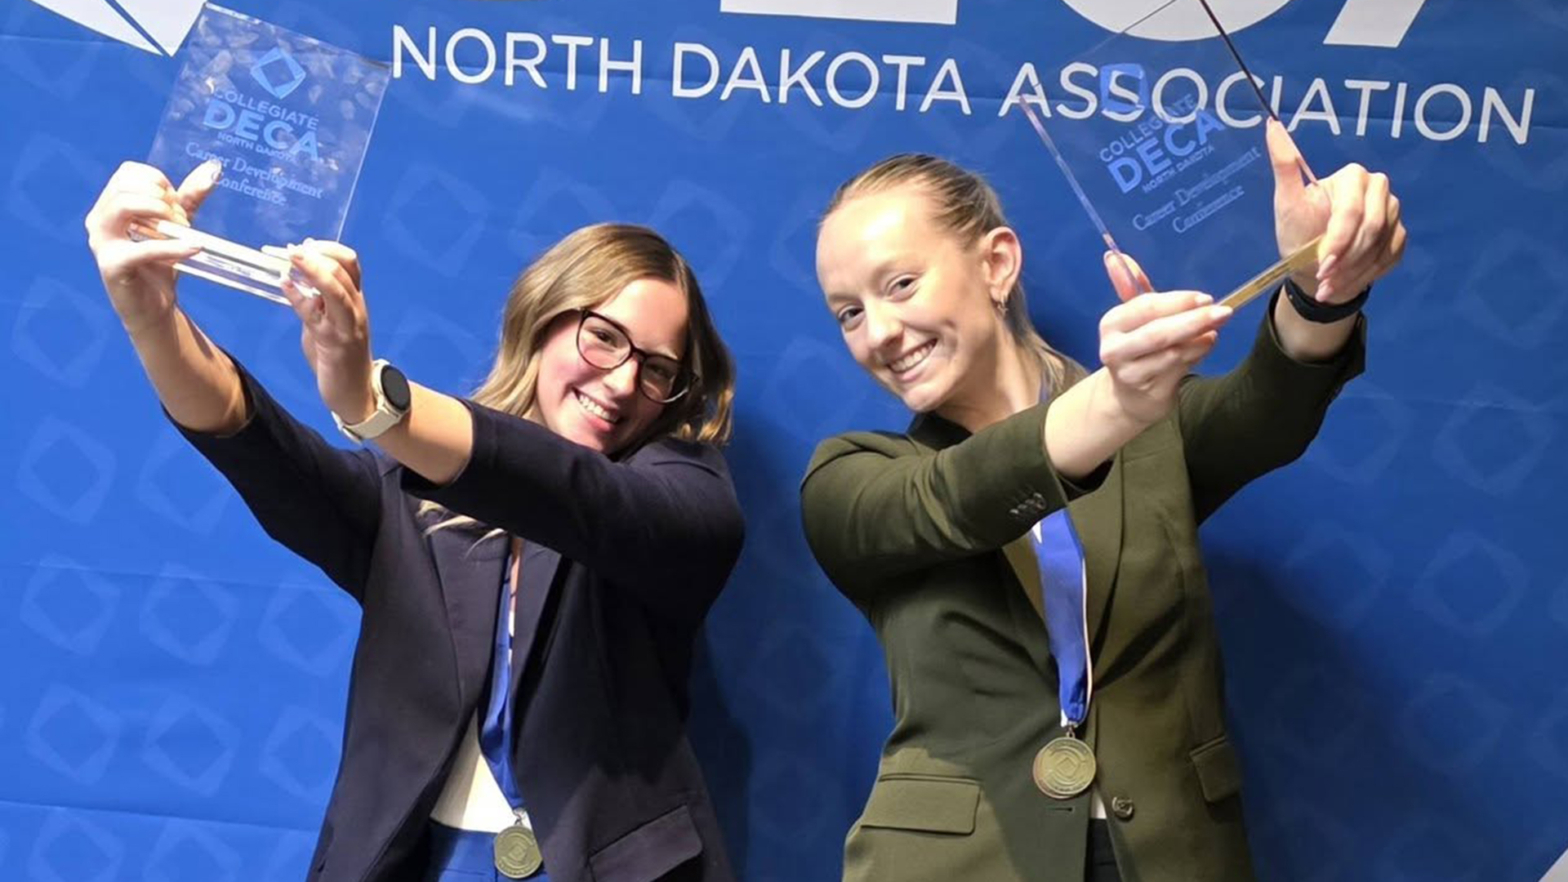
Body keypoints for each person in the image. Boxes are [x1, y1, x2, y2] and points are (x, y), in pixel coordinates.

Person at [85, 159, 745, 882]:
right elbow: (260, 448)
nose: (622, 383)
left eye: (657, 369)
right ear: (543, 318)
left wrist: (372, 398)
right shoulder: (410, 497)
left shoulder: (683, 495)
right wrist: (150, 318)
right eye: (605, 337)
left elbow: (582, 496)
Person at [799, 120, 1404, 882]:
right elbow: (961, 497)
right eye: (848, 313)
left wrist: (1325, 289)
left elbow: (1269, 409)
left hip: (1171, 854)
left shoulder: (1158, 432)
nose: (879, 331)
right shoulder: (854, 479)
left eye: (900, 285)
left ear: (996, 262)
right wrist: (1114, 405)